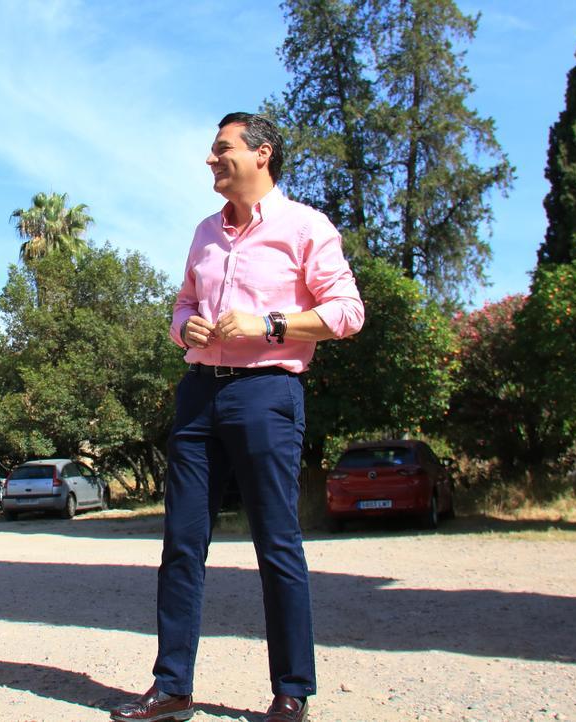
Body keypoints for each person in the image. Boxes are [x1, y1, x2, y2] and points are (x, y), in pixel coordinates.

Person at [110, 113, 364, 722]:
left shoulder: (306, 227)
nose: (210, 160)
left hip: (267, 395)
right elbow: (183, 305)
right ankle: (172, 688)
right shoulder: (204, 231)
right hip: (199, 394)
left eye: (221, 149)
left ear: (261, 154)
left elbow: (348, 312)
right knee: (181, 545)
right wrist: (184, 329)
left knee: (276, 542)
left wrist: (270, 324)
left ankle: (292, 691)